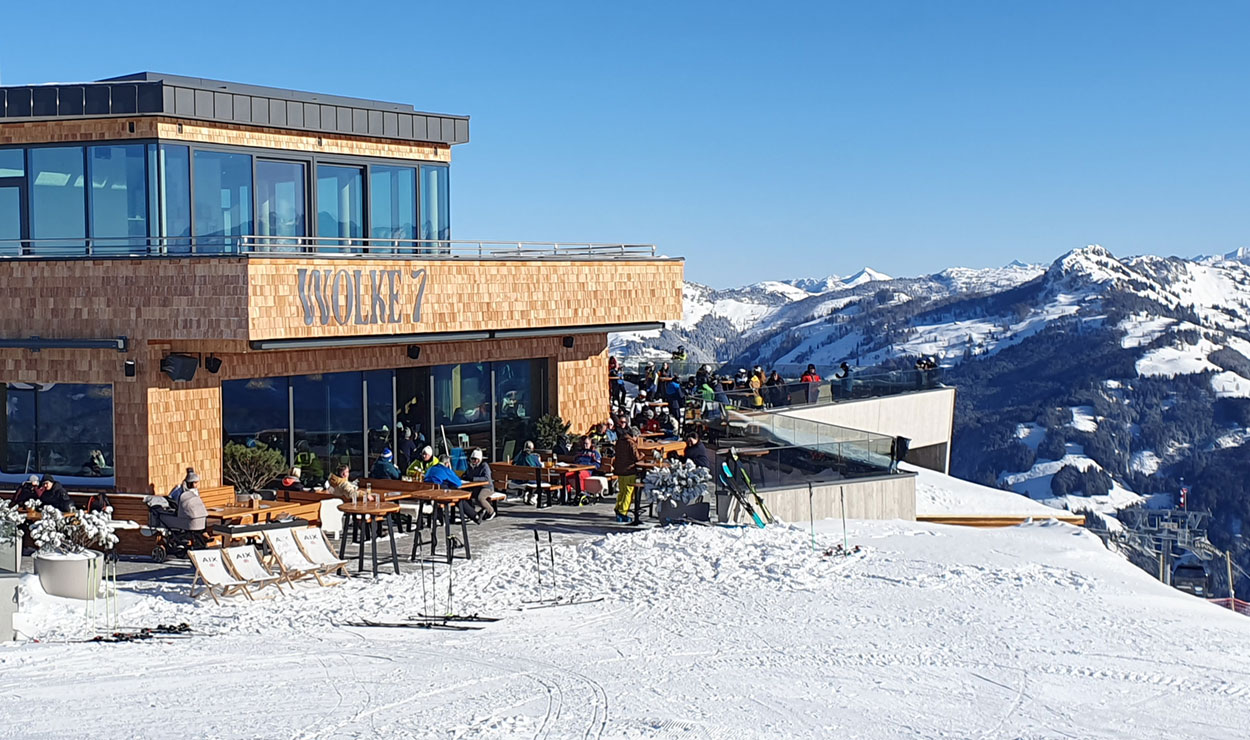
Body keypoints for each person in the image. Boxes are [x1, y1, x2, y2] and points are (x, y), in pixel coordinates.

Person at [613, 426, 641, 523]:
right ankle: (623, 512)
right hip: (629, 470)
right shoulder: (631, 443)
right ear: (634, 435)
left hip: (620, 470)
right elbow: (636, 457)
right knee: (628, 492)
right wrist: (643, 455)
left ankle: (618, 508)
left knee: (622, 491)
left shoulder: (619, 441)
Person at [463, 448, 498, 520]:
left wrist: (474, 479)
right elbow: (467, 474)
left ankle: (491, 511)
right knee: (467, 495)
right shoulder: (471, 466)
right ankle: (471, 513)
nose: (473, 461)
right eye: (472, 459)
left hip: (487, 487)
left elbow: (487, 478)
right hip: (477, 486)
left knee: (480, 498)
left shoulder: (484, 466)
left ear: (479, 459)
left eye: (475, 459)